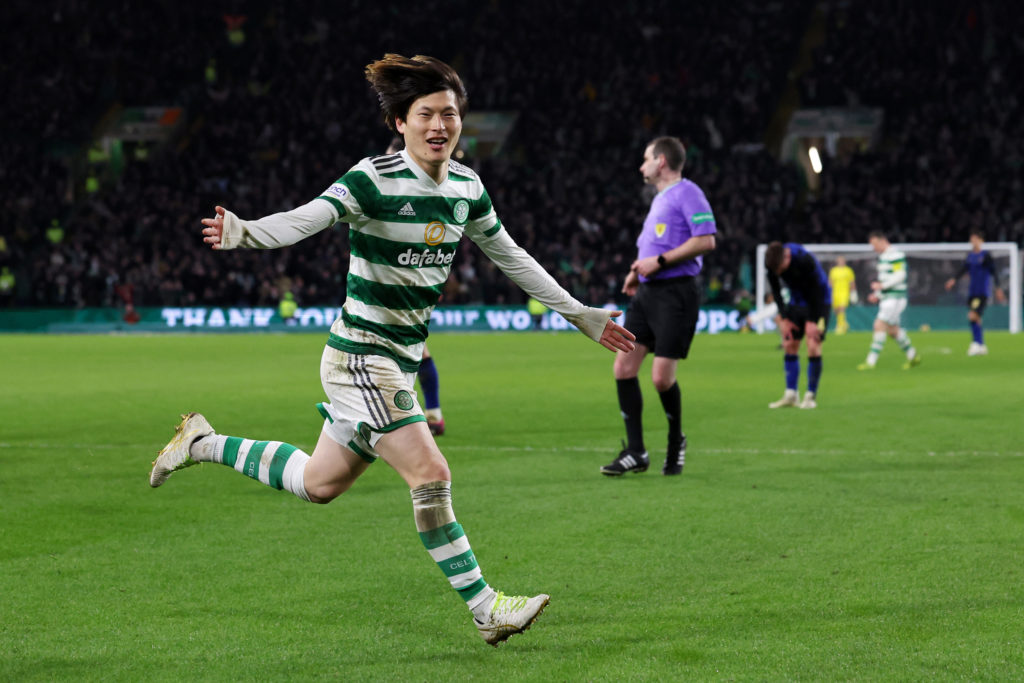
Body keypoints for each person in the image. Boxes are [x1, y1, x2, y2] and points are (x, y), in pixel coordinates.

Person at [148, 54, 636, 646]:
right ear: (399, 123)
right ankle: (486, 608)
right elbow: (309, 218)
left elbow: (511, 257)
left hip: (397, 359)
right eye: (426, 114)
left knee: (317, 483)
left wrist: (579, 314)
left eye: (450, 114)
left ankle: (202, 441)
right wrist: (245, 231)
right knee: (431, 472)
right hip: (360, 356)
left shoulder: (465, 187)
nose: (440, 125)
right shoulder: (372, 179)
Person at [600, 136, 716, 477]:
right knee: (623, 368)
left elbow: (706, 240)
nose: (641, 166)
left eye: (646, 158)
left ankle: (675, 440)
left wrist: (659, 262)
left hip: (676, 294)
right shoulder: (660, 198)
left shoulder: (688, 192)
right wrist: (638, 272)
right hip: (647, 294)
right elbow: (654, 248)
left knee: (662, 379)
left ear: (661, 161)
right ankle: (635, 451)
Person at [386, 136, 446, 434]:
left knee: (403, 355)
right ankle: (431, 415)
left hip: (404, 289)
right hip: (398, 288)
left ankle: (418, 419)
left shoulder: (413, 200)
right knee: (417, 352)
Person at [763, 242, 831, 409]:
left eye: (780, 269)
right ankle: (791, 395)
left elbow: (817, 290)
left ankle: (810, 397)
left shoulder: (804, 259)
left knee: (813, 344)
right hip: (796, 302)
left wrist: (814, 321)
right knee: (789, 344)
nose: (779, 273)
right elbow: (776, 292)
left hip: (819, 302)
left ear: (787, 257)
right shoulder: (773, 265)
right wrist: (784, 318)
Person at [858, 231, 920, 370]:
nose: (873, 248)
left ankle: (870, 362)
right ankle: (913, 355)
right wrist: (878, 294)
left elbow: (900, 275)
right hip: (888, 297)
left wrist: (882, 286)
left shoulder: (896, 255)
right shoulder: (884, 257)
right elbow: (886, 280)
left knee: (879, 325)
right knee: (893, 330)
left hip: (895, 298)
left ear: (882, 241)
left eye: (874, 244)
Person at [944, 230, 1006, 356]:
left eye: (975, 239)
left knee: (972, 315)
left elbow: (994, 272)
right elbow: (963, 269)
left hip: (982, 292)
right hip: (972, 292)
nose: (972, 242)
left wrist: (998, 288)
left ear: (981, 241)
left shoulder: (986, 256)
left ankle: (976, 343)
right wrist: (953, 280)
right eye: (971, 239)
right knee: (976, 318)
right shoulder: (970, 256)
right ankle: (981, 345)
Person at [828, 255, 857, 334]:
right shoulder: (833, 270)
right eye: (839, 261)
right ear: (837, 262)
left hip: (845, 292)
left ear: (844, 262)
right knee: (836, 310)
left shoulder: (848, 270)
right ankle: (844, 324)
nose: (841, 262)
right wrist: (829, 292)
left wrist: (853, 293)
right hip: (835, 292)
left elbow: (852, 282)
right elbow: (830, 282)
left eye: (842, 260)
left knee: (842, 308)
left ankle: (840, 326)